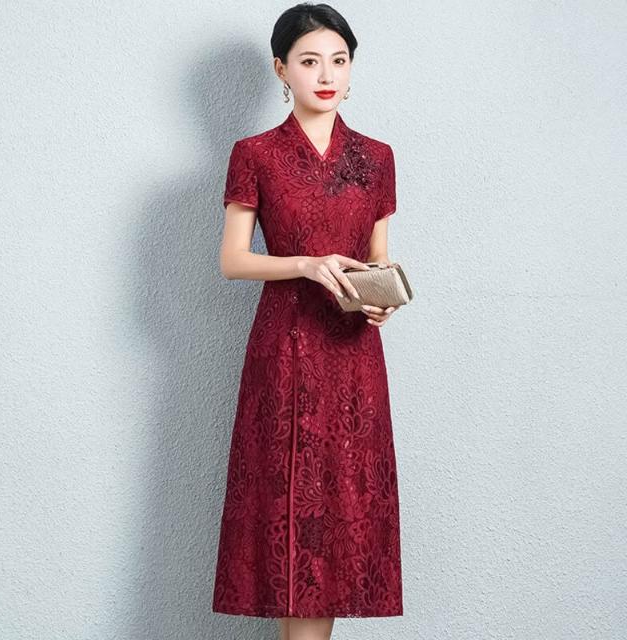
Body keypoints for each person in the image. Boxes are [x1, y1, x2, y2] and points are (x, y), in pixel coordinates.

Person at [212, 4, 404, 639]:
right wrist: (306, 264)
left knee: (342, 526)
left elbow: (378, 259)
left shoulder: (377, 158)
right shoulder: (255, 154)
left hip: (353, 359)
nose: (326, 75)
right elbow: (233, 260)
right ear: (281, 70)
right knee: (291, 525)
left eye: (339, 61)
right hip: (284, 353)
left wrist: (381, 299)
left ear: (351, 70)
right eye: (310, 61)